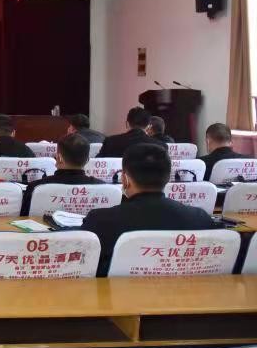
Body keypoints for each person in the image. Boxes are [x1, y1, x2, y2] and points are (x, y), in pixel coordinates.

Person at [82, 144, 216, 277]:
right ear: (168, 178)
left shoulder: (99, 220)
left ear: (125, 179)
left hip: (114, 291)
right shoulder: (200, 218)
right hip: (183, 290)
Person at [21, 133, 104, 215]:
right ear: (87, 160)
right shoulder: (102, 187)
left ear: (59, 158)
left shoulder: (35, 187)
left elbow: (23, 218)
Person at [96, 107, 167, 158]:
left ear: (127, 124)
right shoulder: (161, 146)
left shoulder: (110, 142)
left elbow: (97, 164)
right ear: (148, 126)